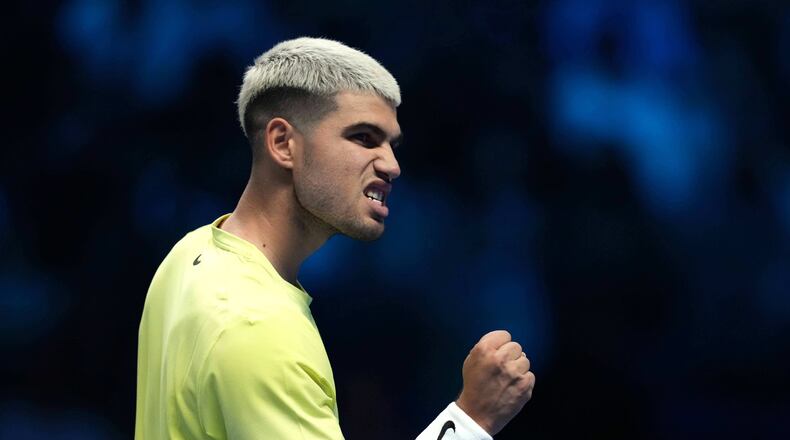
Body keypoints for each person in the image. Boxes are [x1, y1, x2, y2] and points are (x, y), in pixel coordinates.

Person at [135, 37, 535, 439]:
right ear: (282, 143)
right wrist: (471, 420)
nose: (392, 166)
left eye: (391, 145)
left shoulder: (189, 252)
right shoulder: (261, 327)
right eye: (363, 138)